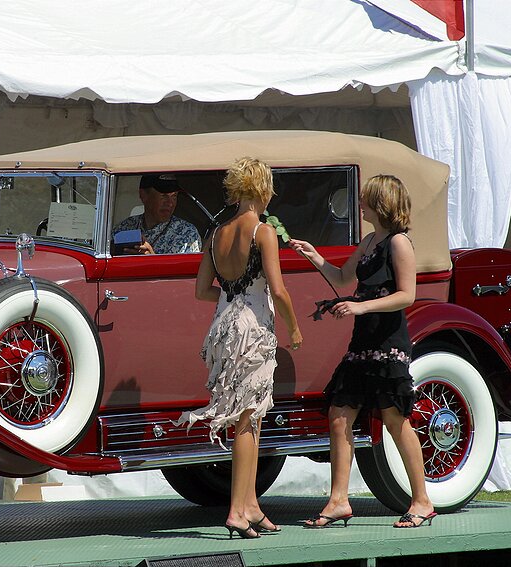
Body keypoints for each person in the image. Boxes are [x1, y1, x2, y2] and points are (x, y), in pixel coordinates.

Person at [289, 174, 435, 529]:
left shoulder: (399, 242)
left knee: (394, 419)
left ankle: (422, 500)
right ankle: (338, 501)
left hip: (387, 342)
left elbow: (407, 295)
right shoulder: (370, 241)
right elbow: (343, 278)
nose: (360, 204)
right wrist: (315, 256)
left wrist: (360, 307)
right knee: (339, 415)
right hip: (363, 342)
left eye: (365, 199)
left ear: (381, 204)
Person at [173, 157, 302, 539]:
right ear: (263, 189)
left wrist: (232, 300)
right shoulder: (262, 232)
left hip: (223, 325)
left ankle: (251, 505)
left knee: (249, 416)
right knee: (248, 419)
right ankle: (237, 510)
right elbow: (278, 290)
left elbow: (201, 290)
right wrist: (294, 328)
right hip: (252, 329)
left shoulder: (216, 234)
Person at [113, 174, 201, 255]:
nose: (170, 203)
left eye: (174, 196)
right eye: (164, 195)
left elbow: (190, 268)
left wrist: (151, 260)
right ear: (143, 195)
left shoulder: (187, 234)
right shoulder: (125, 227)